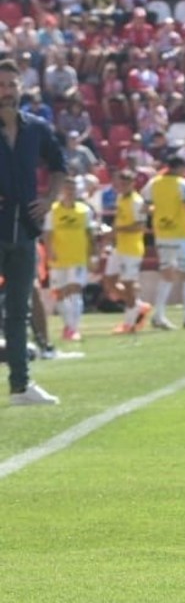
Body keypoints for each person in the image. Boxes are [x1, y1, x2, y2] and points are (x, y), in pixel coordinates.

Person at [0, 58, 66, 405]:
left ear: (21, 89)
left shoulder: (37, 128)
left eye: (11, 85)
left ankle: (20, 387)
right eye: (1, 86)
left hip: (24, 228)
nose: (6, 92)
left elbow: (59, 166)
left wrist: (50, 199)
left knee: (18, 309)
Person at [147, 155, 185, 330]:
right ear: (178, 168)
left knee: (167, 274)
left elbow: (145, 206)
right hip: (179, 234)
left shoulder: (154, 183)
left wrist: (160, 213)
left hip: (161, 234)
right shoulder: (182, 184)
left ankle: (159, 315)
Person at [42, 180, 93, 343]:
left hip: (78, 258)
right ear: (62, 191)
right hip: (59, 259)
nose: (70, 191)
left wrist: (93, 255)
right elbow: (47, 234)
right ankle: (68, 326)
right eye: (67, 188)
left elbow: (89, 234)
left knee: (75, 290)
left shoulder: (84, 211)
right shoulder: (53, 211)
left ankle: (73, 328)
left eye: (73, 188)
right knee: (60, 293)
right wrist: (50, 252)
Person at [107, 169, 151, 334]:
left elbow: (140, 226)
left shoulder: (137, 202)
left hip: (131, 249)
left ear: (133, 183)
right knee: (109, 282)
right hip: (120, 247)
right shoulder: (120, 198)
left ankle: (130, 322)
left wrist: (118, 230)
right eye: (121, 181)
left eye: (127, 182)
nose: (123, 185)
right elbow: (119, 220)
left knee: (128, 284)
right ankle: (138, 306)